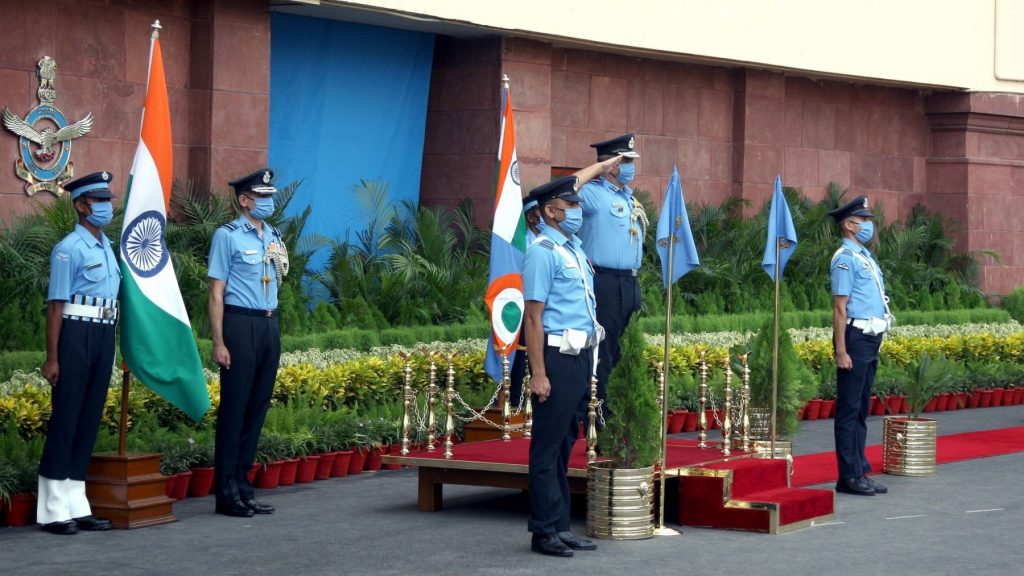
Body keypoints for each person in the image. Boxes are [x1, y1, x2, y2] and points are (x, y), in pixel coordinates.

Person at [522, 156, 621, 558]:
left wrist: (600, 169)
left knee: (565, 443)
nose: (578, 210)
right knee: (547, 448)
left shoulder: (573, 248)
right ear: (550, 211)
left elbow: (576, 182)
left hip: (581, 354)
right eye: (571, 205)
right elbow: (533, 317)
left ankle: (560, 525)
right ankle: (543, 529)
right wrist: (538, 373)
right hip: (555, 356)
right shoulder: (543, 251)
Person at [37, 171, 120, 535]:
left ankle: (76, 502)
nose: (106, 207)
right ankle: (53, 509)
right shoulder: (68, 248)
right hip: (75, 334)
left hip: (103, 335)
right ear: (82, 205)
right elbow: (56, 306)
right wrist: (52, 357)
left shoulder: (107, 247)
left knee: (88, 420)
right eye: (99, 201)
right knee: (66, 419)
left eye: (108, 200)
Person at [208, 168, 289, 517]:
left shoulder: (272, 235)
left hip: (269, 324)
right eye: (262, 197)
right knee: (234, 409)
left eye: (271, 196)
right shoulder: (227, 236)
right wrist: (219, 341)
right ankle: (225, 491)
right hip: (240, 323)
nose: (268, 202)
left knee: (256, 409)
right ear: (244, 200)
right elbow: (216, 292)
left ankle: (243, 485)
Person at [577, 134, 646, 423]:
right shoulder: (593, 193)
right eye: (626, 161)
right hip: (604, 282)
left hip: (630, 283)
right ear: (613, 165)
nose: (631, 167)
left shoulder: (629, 198)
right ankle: (604, 418)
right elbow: (568, 187)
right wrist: (599, 168)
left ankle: (624, 416)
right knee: (605, 353)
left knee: (625, 351)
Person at [829, 195, 892, 497]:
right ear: (850, 225)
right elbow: (840, 308)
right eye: (864, 220)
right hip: (854, 337)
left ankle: (859, 471)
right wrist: (841, 350)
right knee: (849, 408)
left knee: (861, 408)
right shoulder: (845, 258)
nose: (869, 225)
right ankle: (848, 475)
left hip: (871, 337)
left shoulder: (864, 256)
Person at [508, 197, 543, 403]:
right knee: (522, 362)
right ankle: (517, 403)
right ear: (531, 217)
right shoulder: (524, 243)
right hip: (525, 309)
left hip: (544, 311)